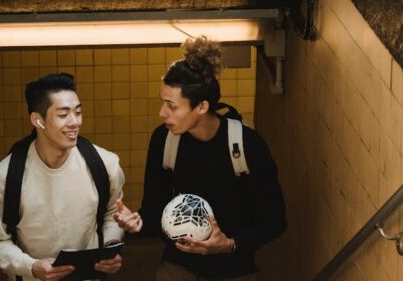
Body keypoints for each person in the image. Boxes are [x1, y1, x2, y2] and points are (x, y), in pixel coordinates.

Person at [114, 37, 287, 281]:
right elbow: (154, 209)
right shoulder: (165, 140)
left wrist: (229, 244)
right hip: (178, 267)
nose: (162, 113)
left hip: (234, 270)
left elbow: (274, 220)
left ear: (202, 107)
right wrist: (138, 223)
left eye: (171, 106)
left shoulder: (246, 145)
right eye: (163, 102)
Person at [0, 73, 125, 281]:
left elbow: (111, 213)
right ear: (37, 120)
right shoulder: (4, 178)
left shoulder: (105, 164)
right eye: (63, 115)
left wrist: (111, 246)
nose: (74, 122)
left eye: (77, 112)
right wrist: (31, 266)